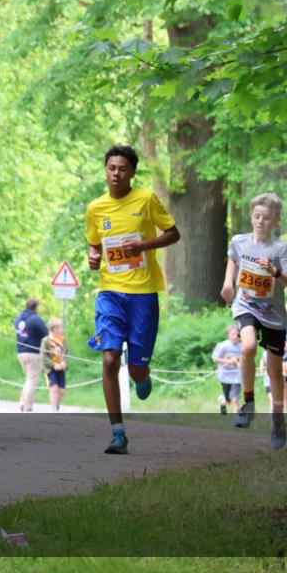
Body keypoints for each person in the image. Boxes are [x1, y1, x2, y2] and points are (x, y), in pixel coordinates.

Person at [86, 145, 180, 455]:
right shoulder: (95, 209)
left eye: (122, 168)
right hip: (110, 291)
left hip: (143, 294)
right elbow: (94, 246)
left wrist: (143, 246)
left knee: (135, 370)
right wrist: (92, 256)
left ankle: (142, 375)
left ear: (132, 172)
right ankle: (118, 434)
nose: (116, 173)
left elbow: (173, 233)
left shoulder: (145, 199)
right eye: (111, 167)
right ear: (106, 170)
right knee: (110, 358)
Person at [220, 192, 287, 449]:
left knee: (275, 371)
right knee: (248, 347)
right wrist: (228, 284)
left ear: (275, 221)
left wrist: (274, 271)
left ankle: (277, 420)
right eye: (256, 216)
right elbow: (233, 258)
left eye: (266, 218)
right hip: (246, 306)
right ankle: (248, 403)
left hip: (273, 315)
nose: (260, 222)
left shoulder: (281, 249)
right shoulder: (240, 241)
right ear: (251, 216)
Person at [14, 298, 49, 413]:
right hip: (33, 353)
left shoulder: (18, 319)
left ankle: (22, 403)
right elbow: (46, 334)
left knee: (28, 379)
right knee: (32, 380)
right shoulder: (35, 319)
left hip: (20, 352)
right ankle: (27, 406)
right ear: (36, 307)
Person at [211, 324, 243, 414]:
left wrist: (241, 364)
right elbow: (215, 359)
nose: (235, 336)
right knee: (229, 400)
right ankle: (223, 401)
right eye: (233, 334)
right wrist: (228, 361)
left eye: (237, 334)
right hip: (225, 376)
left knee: (235, 399)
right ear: (228, 335)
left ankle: (237, 419)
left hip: (237, 376)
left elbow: (244, 360)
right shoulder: (223, 346)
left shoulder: (242, 347)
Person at [39, 318, 69, 411]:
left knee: (62, 391)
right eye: (60, 328)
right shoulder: (46, 340)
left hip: (61, 368)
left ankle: (57, 406)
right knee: (54, 388)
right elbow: (43, 355)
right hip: (50, 369)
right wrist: (53, 365)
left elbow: (66, 352)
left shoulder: (63, 340)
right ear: (54, 329)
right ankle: (53, 410)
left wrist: (64, 362)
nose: (62, 330)